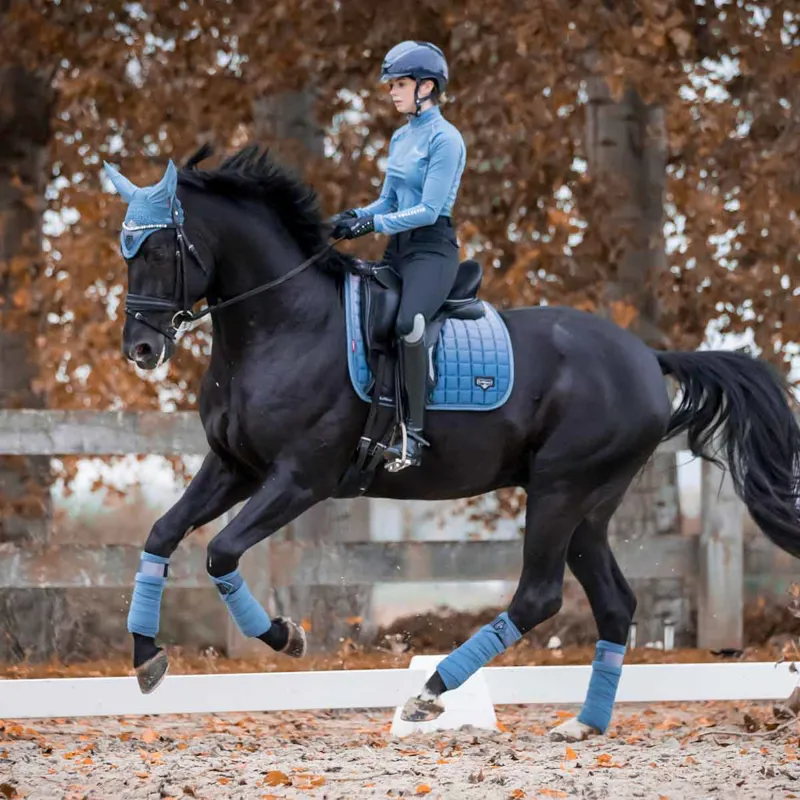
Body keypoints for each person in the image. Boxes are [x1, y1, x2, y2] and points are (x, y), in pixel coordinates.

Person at [330, 41, 467, 469]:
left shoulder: (447, 139)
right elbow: (388, 201)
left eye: (401, 84)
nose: (392, 92)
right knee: (358, 309)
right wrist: (353, 216)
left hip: (432, 249)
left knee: (410, 324)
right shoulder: (401, 136)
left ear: (427, 87)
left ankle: (414, 436)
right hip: (399, 248)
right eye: (392, 84)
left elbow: (427, 209)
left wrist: (371, 226)